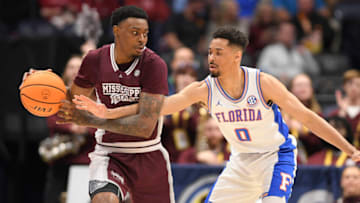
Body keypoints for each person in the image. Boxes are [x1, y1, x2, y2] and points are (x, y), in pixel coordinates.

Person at [69, 27, 360, 203]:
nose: (211, 57)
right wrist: (108, 112)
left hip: (276, 157)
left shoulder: (262, 83)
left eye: (218, 52)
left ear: (236, 56)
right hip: (241, 161)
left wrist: (349, 149)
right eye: (209, 52)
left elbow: (308, 117)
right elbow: (159, 106)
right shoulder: (204, 89)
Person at [23, 5, 175, 203]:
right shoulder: (95, 60)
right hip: (110, 153)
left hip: (148, 152)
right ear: (117, 32)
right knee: (104, 199)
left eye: (145, 33)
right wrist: (41, 86)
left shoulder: (155, 65)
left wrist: (95, 119)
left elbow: (144, 127)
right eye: (135, 33)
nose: (142, 39)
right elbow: (73, 99)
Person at [41, 55, 96, 203]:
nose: (74, 71)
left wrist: (85, 129)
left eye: (79, 68)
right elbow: (51, 120)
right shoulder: (56, 95)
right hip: (61, 160)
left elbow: (105, 123)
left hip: (85, 162)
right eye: (71, 67)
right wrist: (71, 127)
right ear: (65, 71)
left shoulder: (95, 96)